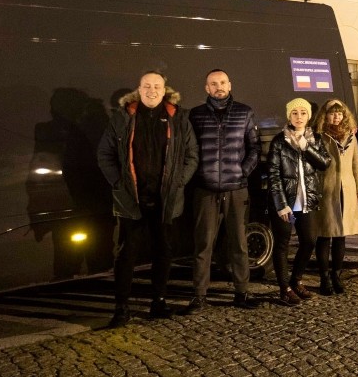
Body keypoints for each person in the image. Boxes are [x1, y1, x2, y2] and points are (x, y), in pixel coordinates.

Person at [97, 71, 198, 328]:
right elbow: (104, 154)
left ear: (165, 90)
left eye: (157, 86)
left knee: (163, 252)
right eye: (147, 86)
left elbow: (192, 156)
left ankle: (159, 302)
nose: (152, 90)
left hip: (166, 198)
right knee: (125, 255)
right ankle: (121, 308)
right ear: (139, 89)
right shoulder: (122, 118)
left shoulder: (178, 118)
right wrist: (119, 184)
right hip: (132, 199)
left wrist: (178, 182)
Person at [185, 69, 261, 314]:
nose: (218, 87)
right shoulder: (195, 116)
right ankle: (199, 295)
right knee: (203, 244)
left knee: (239, 243)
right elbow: (190, 152)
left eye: (222, 82)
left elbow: (254, 148)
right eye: (213, 83)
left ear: (230, 85)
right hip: (205, 190)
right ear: (206, 88)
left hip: (236, 189)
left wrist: (243, 171)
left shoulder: (244, 112)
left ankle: (242, 292)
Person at [267, 98, 331, 306]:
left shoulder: (315, 139)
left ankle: (296, 280)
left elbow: (325, 163)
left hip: (307, 200)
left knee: (309, 240)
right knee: (282, 244)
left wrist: (306, 147)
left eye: (303, 113)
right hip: (286, 201)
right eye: (295, 113)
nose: (299, 117)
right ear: (289, 116)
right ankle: (284, 288)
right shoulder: (279, 141)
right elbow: (274, 175)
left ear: (308, 116)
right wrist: (280, 204)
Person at [313, 99, 358, 295]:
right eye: (332, 113)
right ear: (324, 115)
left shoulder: (351, 137)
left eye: (340, 113)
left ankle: (336, 275)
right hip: (326, 190)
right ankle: (324, 277)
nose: (336, 116)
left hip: (346, 189)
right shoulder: (318, 136)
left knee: (341, 235)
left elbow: (356, 164)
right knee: (325, 234)